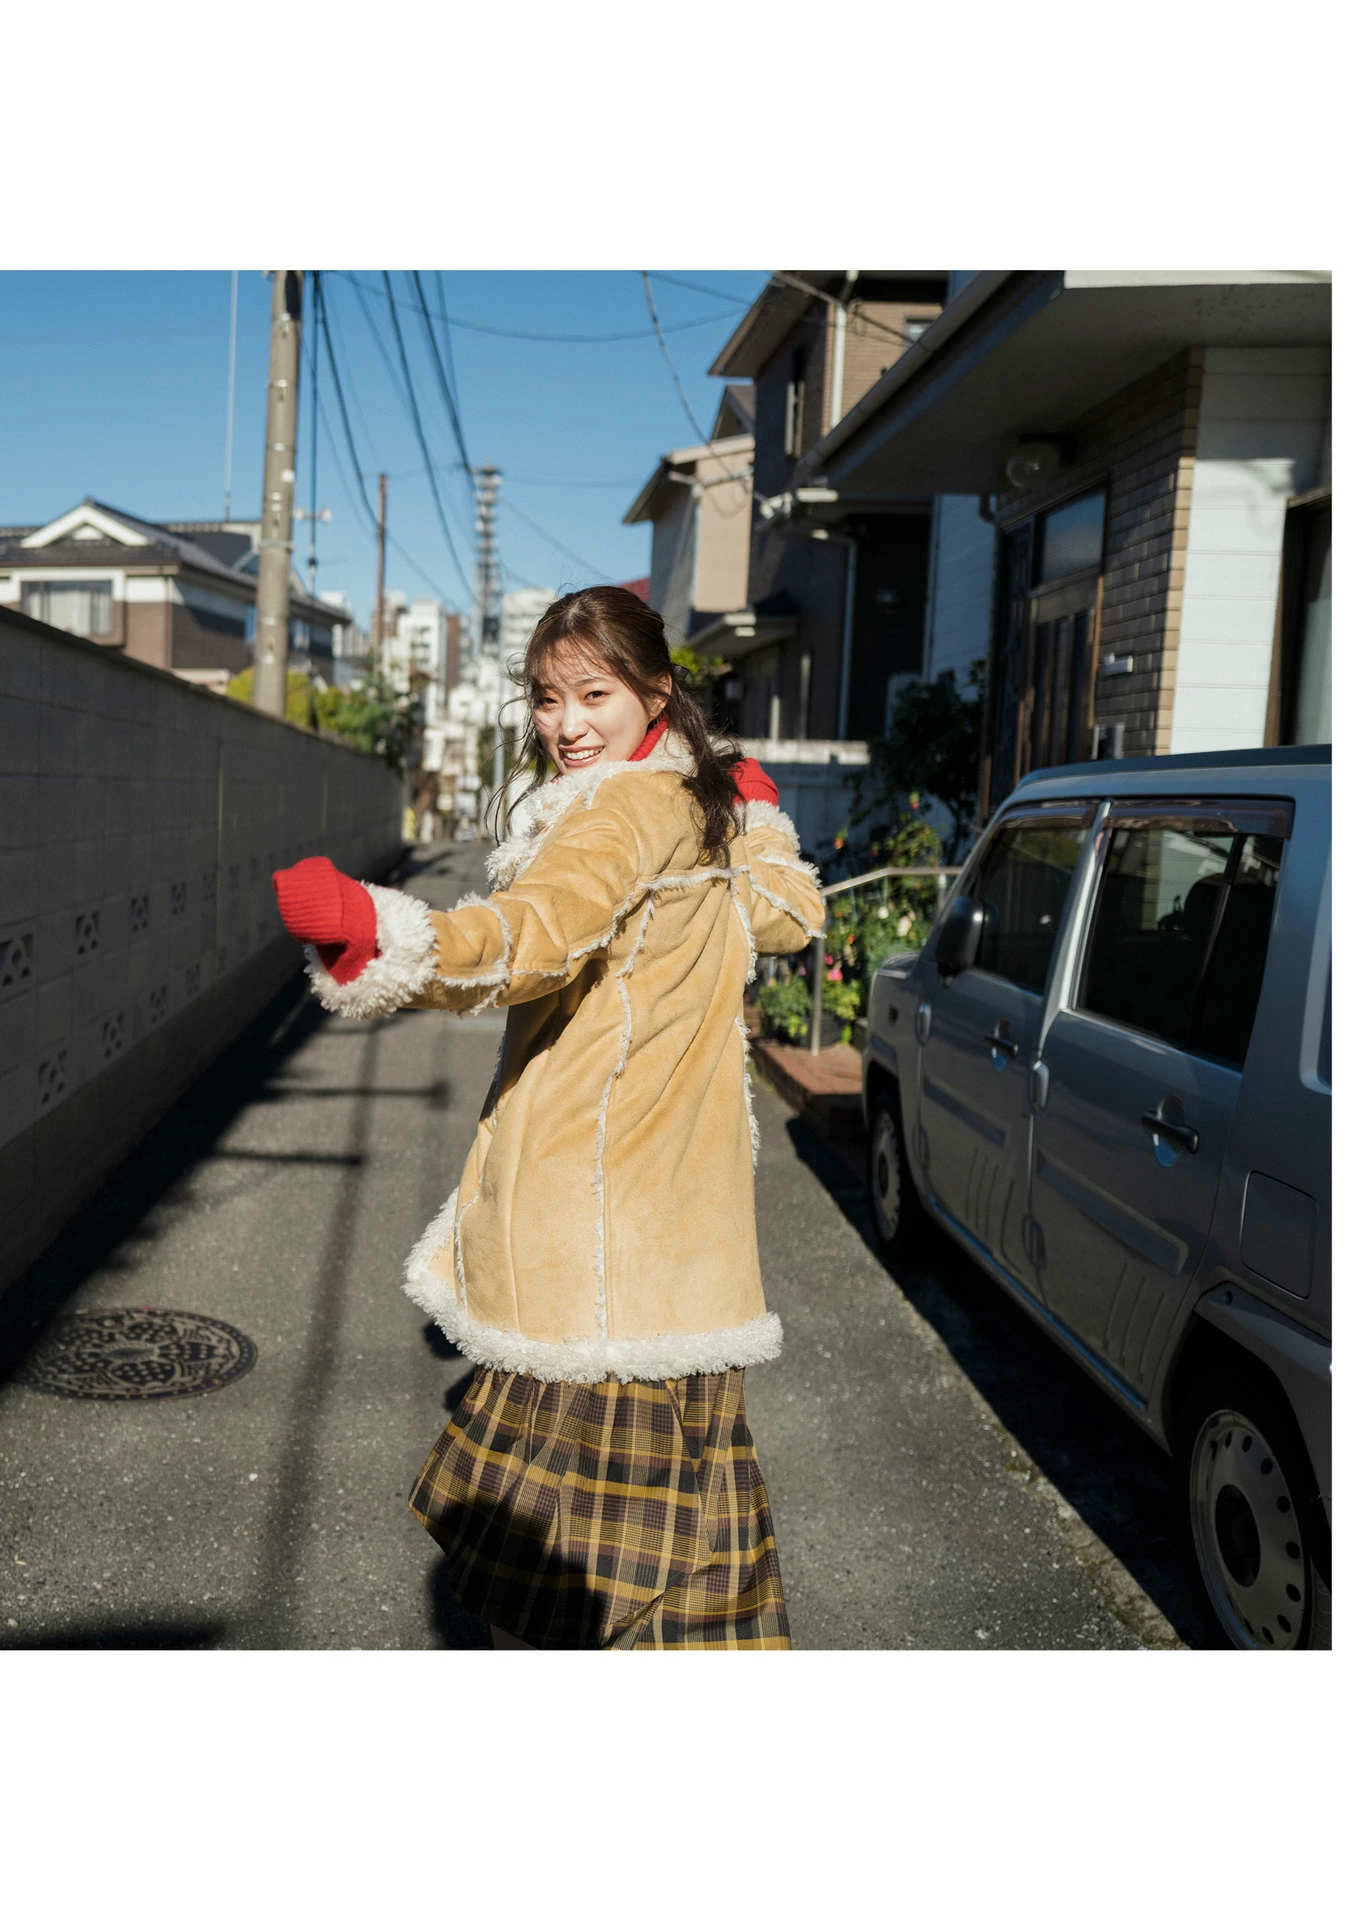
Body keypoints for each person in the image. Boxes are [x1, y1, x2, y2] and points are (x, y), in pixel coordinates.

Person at [271, 586, 824, 1649]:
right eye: (545, 698)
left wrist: (377, 934)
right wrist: (754, 809)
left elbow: (533, 933)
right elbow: (789, 911)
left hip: (597, 1246)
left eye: (593, 694)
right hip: (678, 1241)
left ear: (657, 688)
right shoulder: (692, 807)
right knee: (688, 1578)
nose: (564, 724)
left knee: (576, 1586)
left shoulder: (622, 809)